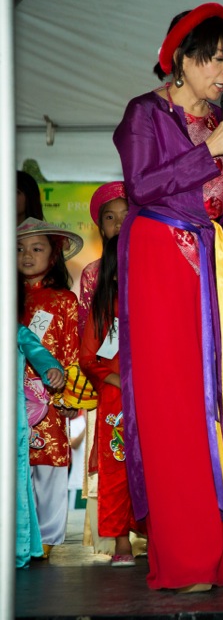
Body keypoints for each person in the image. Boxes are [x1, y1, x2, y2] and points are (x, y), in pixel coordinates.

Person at [113, 2, 223, 592]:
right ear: (181, 59)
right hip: (158, 257)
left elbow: (217, 204)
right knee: (169, 403)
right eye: (215, 58)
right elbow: (142, 186)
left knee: (211, 399)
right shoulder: (145, 114)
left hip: (208, 264)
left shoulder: (217, 124)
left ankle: (210, 552)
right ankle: (182, 557)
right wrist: (208, 153)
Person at [17, 218, 82, 557]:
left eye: (36, 248)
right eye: (19, 248)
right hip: (13, 395)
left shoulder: (64, 300)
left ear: (53, 254)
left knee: (49, 461)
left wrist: (71, 397)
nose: (27, 255)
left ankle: (47, 537)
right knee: (16, 464)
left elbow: (71, 353)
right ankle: (17, 534)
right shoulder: (8, 297)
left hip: (49, 395)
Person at [79, 237, 137, 566]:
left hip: (153, 397)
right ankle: (121, 541)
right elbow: (89, 358)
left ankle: (159, 535)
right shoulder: (105, 308)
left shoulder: (155, 300)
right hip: (117, 401)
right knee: (117, 470)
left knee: (154, 466)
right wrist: (115, 379)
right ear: (114, 272)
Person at [15, 318, 64, 567]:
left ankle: (18, 546)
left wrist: (52, 369)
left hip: (10, 418)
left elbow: (37, 351)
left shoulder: (13, 328)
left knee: (13, 483)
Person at [78, 182, 128, 339]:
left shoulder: (151, 265)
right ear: (101, 227)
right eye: (110, 217)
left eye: (126, 216)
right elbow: (84, 325)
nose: (119, 224)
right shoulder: (92, 273)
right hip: (104, 358)